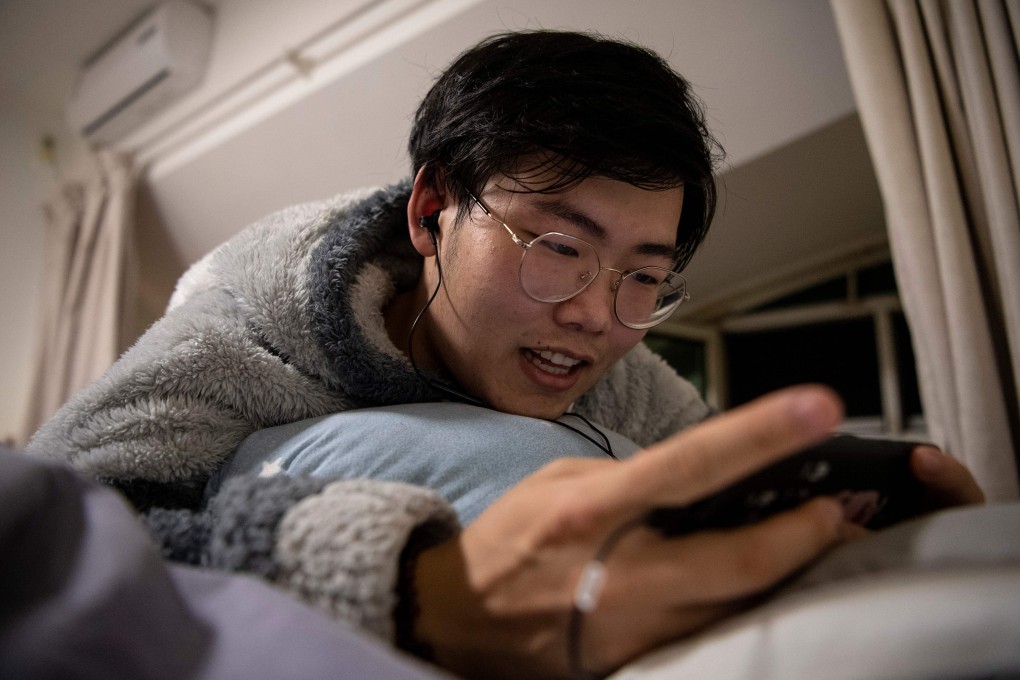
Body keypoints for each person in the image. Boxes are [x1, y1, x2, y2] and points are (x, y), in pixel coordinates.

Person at [24, 30, 983, 679]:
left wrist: (849, 523)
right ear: (432, 212)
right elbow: (54, 545)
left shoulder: (622, 371)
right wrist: (412, 587)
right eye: (559, 248)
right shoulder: (246, 325)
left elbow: (709, 490)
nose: (597, 317)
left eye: (644, 276)